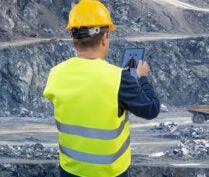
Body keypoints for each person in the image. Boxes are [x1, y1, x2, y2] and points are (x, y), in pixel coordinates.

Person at [43, 0, 160, 177]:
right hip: (110, 173)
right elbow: (151, 109)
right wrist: (142, 78)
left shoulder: (56, 74)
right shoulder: (119, 78)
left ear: (74, 39)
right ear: (105, 37)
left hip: (70, 170)